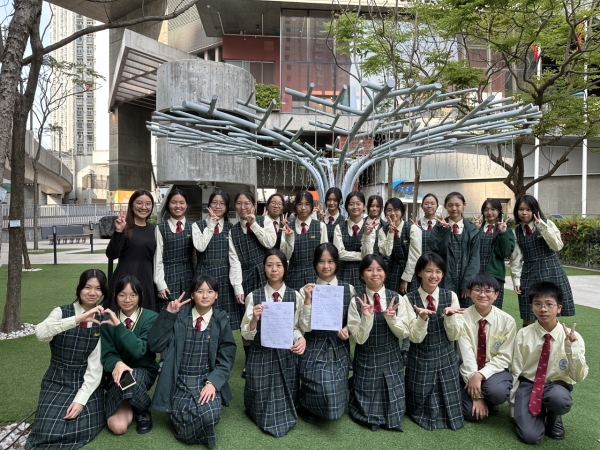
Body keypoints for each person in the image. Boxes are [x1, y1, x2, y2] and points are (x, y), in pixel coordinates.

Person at [148, 275, 236, 448]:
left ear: (216, 295)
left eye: (210, 291)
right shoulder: (179, 317)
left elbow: (227, 357)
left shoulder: (221, 320)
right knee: (184, 412)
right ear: (192, 295)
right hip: (178, 379)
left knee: (210, 416)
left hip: (206, 379)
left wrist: (213, 383)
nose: (205, 295)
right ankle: (183, 424)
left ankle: (186, 426)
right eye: (200, 291)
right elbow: (154, 345)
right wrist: (168, 315)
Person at [347, 254, 431, 432]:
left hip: (391, 356)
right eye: (369, 270)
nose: (374, 274)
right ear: (362, 274)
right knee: (366, 410)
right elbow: (359, 339)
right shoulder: (356, 301)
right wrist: (367, 317)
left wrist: (391, 319)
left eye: (379, 269)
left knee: (395, 408)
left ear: (385, 273)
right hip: (366, 357)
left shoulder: (398, 299)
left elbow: (405, 333)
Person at [26, 269, 108, 450]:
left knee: (79, 426)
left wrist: (80, 400)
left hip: (85, 382)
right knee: (47, 431)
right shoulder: (61, 311)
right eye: (87, 287)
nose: (92, 293)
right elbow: (41, 333)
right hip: (56, 379)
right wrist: (77, 319)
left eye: (98, 288)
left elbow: (95, 367)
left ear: (103, 292)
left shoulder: (104, 320)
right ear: (79, 288)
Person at [510, 281, 588, 444]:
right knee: (530, 436)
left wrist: (571, 348)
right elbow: (516, 369)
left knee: (558, 399)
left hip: (556, 386)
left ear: (559, 308)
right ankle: (536, 414)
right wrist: (514, 406)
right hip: (529, 384)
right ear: (531, 307)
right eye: (537, 304)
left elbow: (578, 377)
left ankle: (554, 416)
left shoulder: (573, 337)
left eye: (549, 304)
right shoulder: (523, 334)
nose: (543, 309)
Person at [241, 249, 306, 437]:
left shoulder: (295, 296)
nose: (274, 269)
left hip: (286, 355)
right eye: (269, 265)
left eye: (278, 265)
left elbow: (296, 327)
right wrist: (254, 319)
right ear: (264, 268)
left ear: (285, 268)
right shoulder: (254, 296)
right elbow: (246, 334)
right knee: (261, 405)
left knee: (285, 403)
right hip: (260, 354)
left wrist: (301, 339)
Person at [404, 252, 466, 431]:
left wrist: (450, 317)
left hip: (446, 357)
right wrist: (422, 318)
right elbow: (414, 338)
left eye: (438, 271)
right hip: (420, 358)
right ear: (419, 272)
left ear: (443, 274)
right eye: (429, 271)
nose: (434, 276)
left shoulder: (451, 296)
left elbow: (454, 336)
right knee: (418, 405)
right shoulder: (408, 299)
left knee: (451, 410)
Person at [297, 243, 355, 423]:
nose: (326, 266)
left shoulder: (348, 289)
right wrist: (308, 299)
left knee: (333, 396)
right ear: (315, 263)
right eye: (321, 261)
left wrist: (347, 330)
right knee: (320, 385)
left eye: (330, 261)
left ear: (337, 263)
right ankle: (305, 404)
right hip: (314, 343)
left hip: (338, 344)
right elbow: (304, 327)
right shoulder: (305, 290)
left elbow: (353, 320)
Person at [101, 276, 159, 435]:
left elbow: (139, 350)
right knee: (117, 427)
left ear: (140, 296)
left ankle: (143, 409)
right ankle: (132, 401)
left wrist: (119, 326)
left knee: (132, 378)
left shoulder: (151, 317)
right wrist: (117, 363)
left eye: (133, 295)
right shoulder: (106, 321)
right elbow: (107, 355)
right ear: (115, 296)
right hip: (117, 376)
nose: (127, 300)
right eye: (122, 295)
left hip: (143, 372)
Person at [229, 190, 277, 374]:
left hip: (267, 274)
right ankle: (249, 361)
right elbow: (234, 261)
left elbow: (270, 243)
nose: (243, 207)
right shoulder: (233, 231)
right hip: (246, 276)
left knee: (269, 315)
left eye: (247, 203)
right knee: (248, 318)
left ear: (254, 206)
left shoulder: (265, 221)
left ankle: (270, 356)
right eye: (239, 203)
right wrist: (238, 287)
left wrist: (254, 224)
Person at [509, 195, 575, 327]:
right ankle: (528, 339)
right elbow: (516, 259)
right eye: (521, 209)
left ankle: (551, 339)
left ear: (535, 210)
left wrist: (542, 227)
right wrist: (516, 280)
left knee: (550, 310)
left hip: (551, 269)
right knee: (528, 313)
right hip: (529, 272)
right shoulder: (516, 232)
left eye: (528, 209)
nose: (524, 213)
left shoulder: (547, 224)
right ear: (516, 211)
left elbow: (557, 246)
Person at [457, 273, 516, 422]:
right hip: (467, 368)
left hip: (494, 369)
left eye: (488, 291)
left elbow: (504, 357)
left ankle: (490, 399)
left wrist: (480, 375)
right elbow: (466, 355)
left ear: (496, 295)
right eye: (477, 290)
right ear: (469, 293)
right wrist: (477, 397)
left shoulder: (507, 321)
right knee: (471, 414)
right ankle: (482, 398)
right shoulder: (461, 318)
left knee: (497, 393)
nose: (482, 294)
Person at [192, 191, 239, 329]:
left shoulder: (231, 228)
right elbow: (200, 247)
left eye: (222, 203)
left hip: (225, 275)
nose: (218, 206)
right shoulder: (197, 225)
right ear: (209, 205)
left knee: (224, 316)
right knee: (204, 312)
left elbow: (233, 257)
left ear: (227, 207)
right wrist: (212, 224)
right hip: (204, 273)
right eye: (214, 203)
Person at [106, 189, 156, 311]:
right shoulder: (125, 227)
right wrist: (119, 231)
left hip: (147, 278)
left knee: (144, 316)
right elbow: (112, 254)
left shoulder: (154, 229)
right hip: (125, 275)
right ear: (132, 206)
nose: (144, 207)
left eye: (148, 204)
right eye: (139, 203)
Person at [429, 191, 480, 308]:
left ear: (464, 205)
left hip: (465, 277)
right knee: (445, 310)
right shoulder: (438, 227)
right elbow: (437, 252)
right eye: (450, 205)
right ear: (445, 206)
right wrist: (444, 231)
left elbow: (475, 257)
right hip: (444, 278)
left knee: (465, 312)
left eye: (457, 205)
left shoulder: (471, 229)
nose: (454, 208)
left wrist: (467, 283)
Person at [154, 188, 194, 311]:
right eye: (174, 202)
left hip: (189, 276)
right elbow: (158, 258)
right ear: (168, 204)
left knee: (188, 313)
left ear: (186, 205)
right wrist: (160, 284)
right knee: (167, 311)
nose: (178, 206)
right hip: (168, 276)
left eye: (181, 202)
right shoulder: (160, 228)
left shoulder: (194, 227)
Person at [280, 191, 328, 291]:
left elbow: (325, 255)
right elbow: (285, 256)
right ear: (295, 206)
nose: (303, 208)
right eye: (299, 204)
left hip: (315, 275)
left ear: (312, 206)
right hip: (293, 275)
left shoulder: (320, 226)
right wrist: (289, 238)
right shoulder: (287, 228)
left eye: (307, 204)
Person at [471, 199, 514, 309]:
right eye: (486, 210)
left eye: (493, 209)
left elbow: (505, 253)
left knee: (493, 309)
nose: (489, 212)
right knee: (474, 308)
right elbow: (470, 250)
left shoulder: (506, 230)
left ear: (499, 211)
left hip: (495, 276)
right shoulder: (478, 229)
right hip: (476, 275)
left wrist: (502, 233)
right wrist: (475, 230)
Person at [333, 191, 377, 288]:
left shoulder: (370, 228)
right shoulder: (339, 227)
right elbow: (339, 254)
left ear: (364, 206)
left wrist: (366, 235)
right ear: (346, 206)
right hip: (343, 273)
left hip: (363, 273)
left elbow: (368, 255)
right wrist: (360, 255)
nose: (355, 207)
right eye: (351, 204)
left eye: (358, 204)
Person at [378, 197, 422, 295]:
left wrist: (405, 279)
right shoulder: (382, 230)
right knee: (391, 300)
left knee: (410, 301)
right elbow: (386, 252)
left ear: (402, 212)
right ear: (385, 213)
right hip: (391, 272)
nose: (392, 213)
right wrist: (390, 233)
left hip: (410, 272)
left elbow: (415, 256)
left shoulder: (412, 229)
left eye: (396, 210)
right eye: (389, 210)